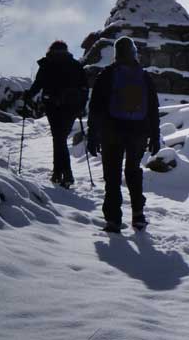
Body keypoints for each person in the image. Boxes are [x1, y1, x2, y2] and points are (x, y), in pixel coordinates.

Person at [87, 37, 161, 233]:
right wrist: (155, 135)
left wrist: (92, 135)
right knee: (133, 171)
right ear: (134, 53)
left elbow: (95, 107)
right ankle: (138, 215)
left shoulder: (107, 75)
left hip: (112, 131)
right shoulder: (144, 77)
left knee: (112, 175)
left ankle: (113, 220)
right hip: (138, 132)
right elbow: (153, 108)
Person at [22, 40, 88, 188]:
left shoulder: (47, 64)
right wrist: (81, 107)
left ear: (50, 50)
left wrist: (28, 95)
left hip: (52, 106)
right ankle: (61, 172)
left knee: (58, 138)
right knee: (61, 138)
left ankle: (62, 172)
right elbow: (84, 88)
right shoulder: (76, 65)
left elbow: (38, 84)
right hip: (71, 107)